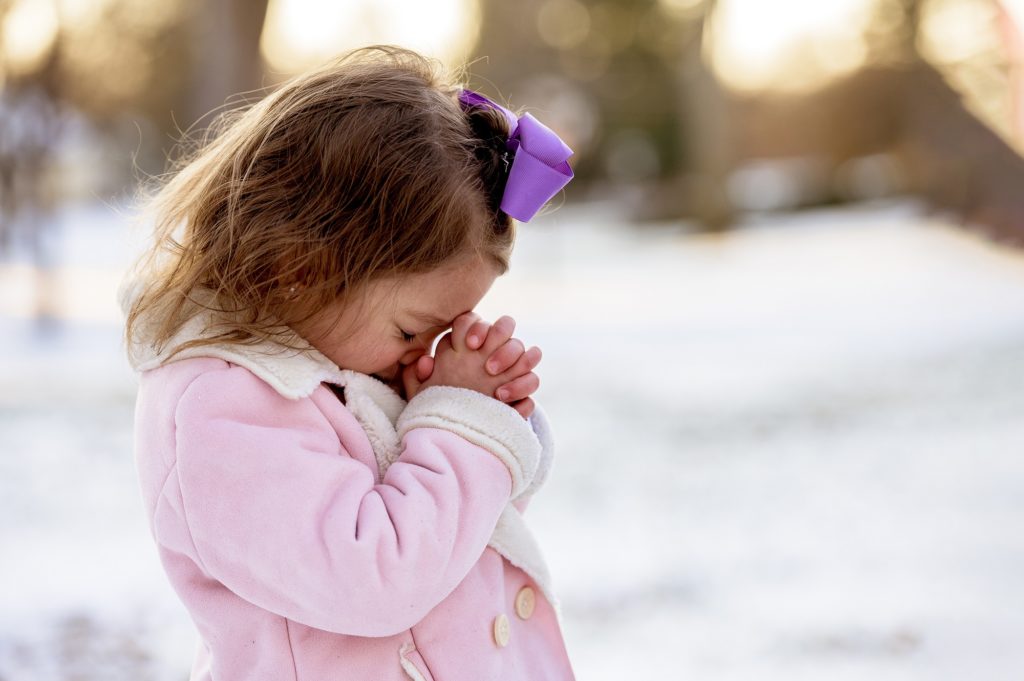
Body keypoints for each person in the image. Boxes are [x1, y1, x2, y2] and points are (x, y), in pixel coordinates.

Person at [120, 45, 576, 680]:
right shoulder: (217, 411)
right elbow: (380, 578)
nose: (430, 351)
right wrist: (459, 428)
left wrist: (452, 415)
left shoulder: (339, 366)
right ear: (301, 270)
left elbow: (456, 548)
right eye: (415, 329)